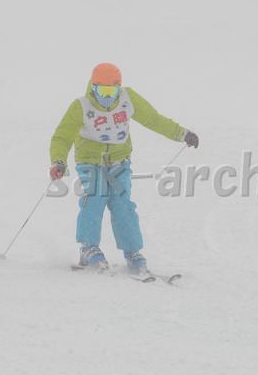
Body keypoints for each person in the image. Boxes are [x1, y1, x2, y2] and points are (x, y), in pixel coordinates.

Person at [49, 63, 199, 274]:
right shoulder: (81, 106)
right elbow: (62, 136)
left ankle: (132, 252)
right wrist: (58, 161)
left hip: (119, 162)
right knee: (95, 198)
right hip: (90, 161)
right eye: (102, 91)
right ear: (93, 87)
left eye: (112, 91)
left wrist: (182, 134)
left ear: (119, 88)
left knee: (123, 205)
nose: (107, 97)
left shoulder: (127, 99)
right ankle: (88, 248)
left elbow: (153, 119)